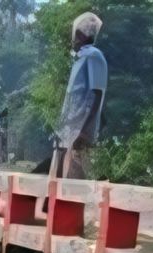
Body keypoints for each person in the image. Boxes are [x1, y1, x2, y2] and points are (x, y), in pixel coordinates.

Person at [53, 12, 107, 180]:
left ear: (83, 35)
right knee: (59, 179)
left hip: (79, 133)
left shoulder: (93, 56)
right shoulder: (82, 58)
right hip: (68, 131)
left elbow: (96, 94)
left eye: (76, 35)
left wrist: (82, 132)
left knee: (74, 182)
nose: (73, 39)